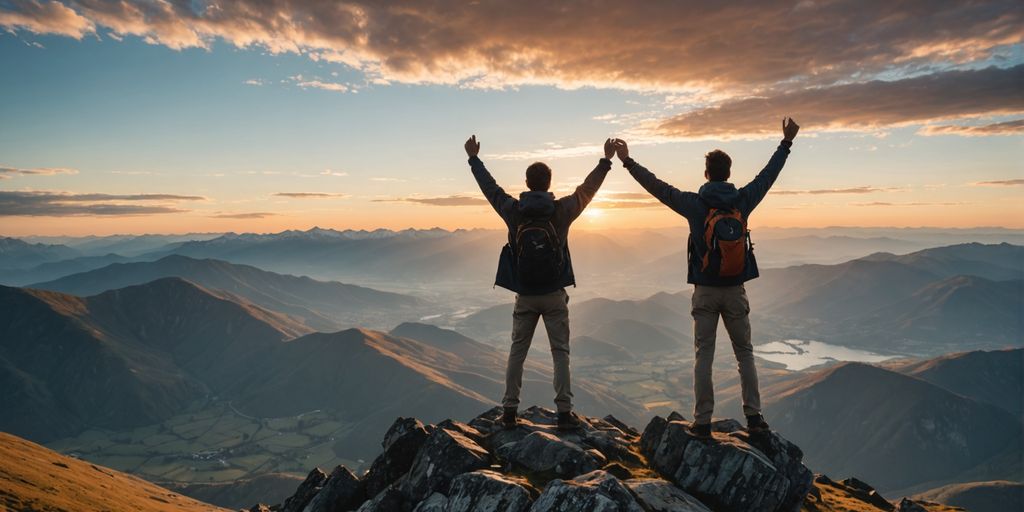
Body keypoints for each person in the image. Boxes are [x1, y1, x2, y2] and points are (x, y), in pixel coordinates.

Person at [612, 118, 800, 437]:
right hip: (736, 290)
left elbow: (657, 187)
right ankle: (754, 416)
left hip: (705, 293)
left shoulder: (693, 205)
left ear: (706, 174)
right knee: (745, 353)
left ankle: (702, 421)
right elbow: (769, 175)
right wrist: (786, 143)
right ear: (728, 173)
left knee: (704, 356)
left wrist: (628, 161)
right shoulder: (743, 200)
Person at [465, 135, 615, 430]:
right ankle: (564, 412)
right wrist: (605, 161)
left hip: (525, 295)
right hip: (554, 294)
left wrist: (474, 159)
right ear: (548, 183)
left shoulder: (513, 211)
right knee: (560, 353)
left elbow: (490, 189)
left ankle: (509, 410)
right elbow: (587, 190)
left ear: (527, 182)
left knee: (517, 352)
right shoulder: (561, 211)